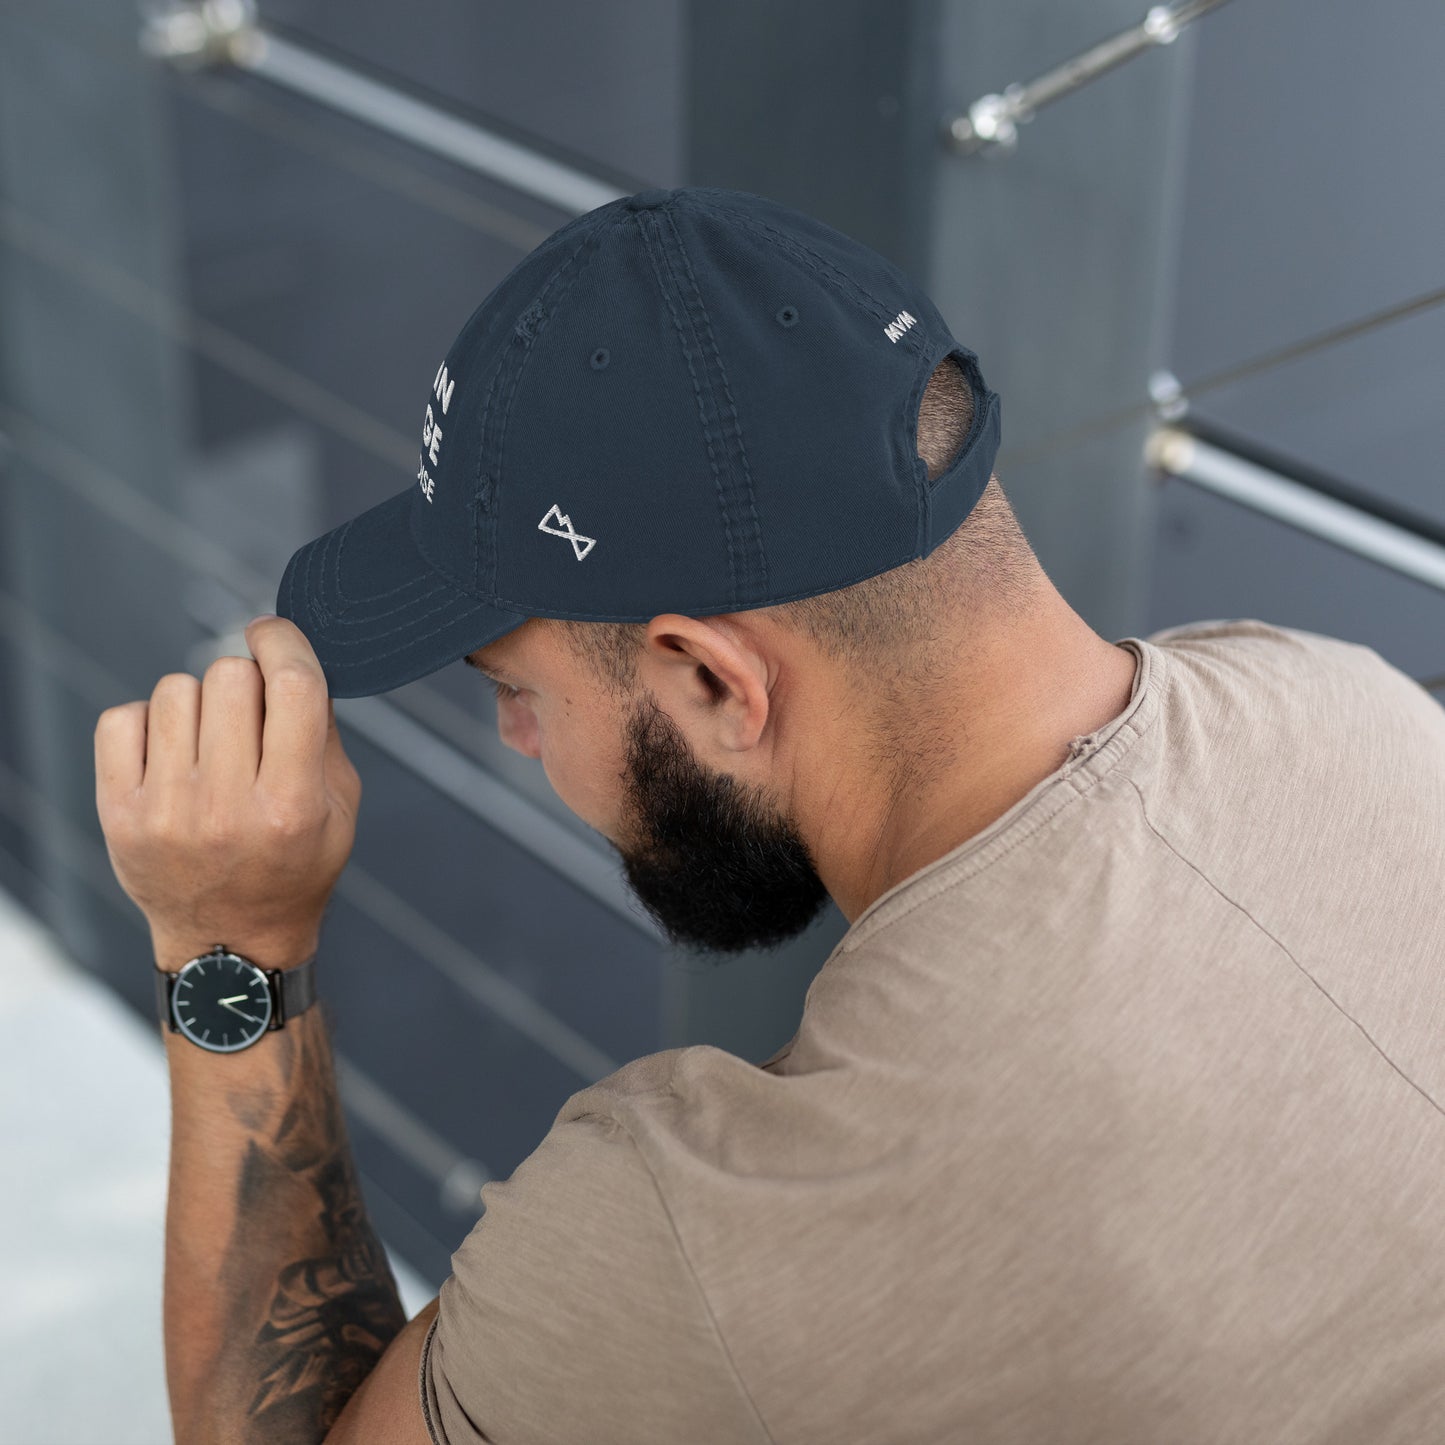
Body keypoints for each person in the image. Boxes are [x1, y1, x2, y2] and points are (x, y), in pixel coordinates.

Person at [94, 187, 1445, 1444]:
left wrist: (232, 946)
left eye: (513, 687)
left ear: (706, 678)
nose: (517, 739)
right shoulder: (1350, 702)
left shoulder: (708, 1234)